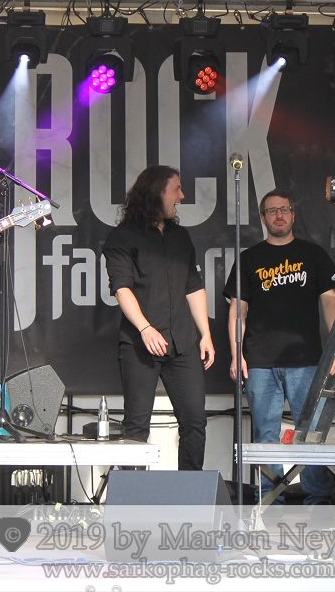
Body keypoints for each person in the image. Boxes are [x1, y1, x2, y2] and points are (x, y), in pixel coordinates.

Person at [222, 189, 335, 505]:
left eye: (284, 209)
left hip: (306, 360)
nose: (279, 215)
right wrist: (236, 353)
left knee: (310, 436)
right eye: (272, 211)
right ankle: (270, 502)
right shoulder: (249, 258)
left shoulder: (313, 254)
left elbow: (330, 301)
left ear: (293, 215)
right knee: (265, 436)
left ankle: (318, 502)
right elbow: (238, 309)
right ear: (262, 218)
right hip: (260, 362)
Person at [102, 165, 215, 470]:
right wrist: (145, 328)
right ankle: (134, 494)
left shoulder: (181, 237)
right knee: (136, 425)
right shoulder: (122, 237)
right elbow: (122, 288)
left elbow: (194, 286)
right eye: (176, 189)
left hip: (183, 342)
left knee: (195, 421)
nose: (182, 195)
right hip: (141, 344)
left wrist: (205, 334)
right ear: (156, 193)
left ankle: (190, 491)